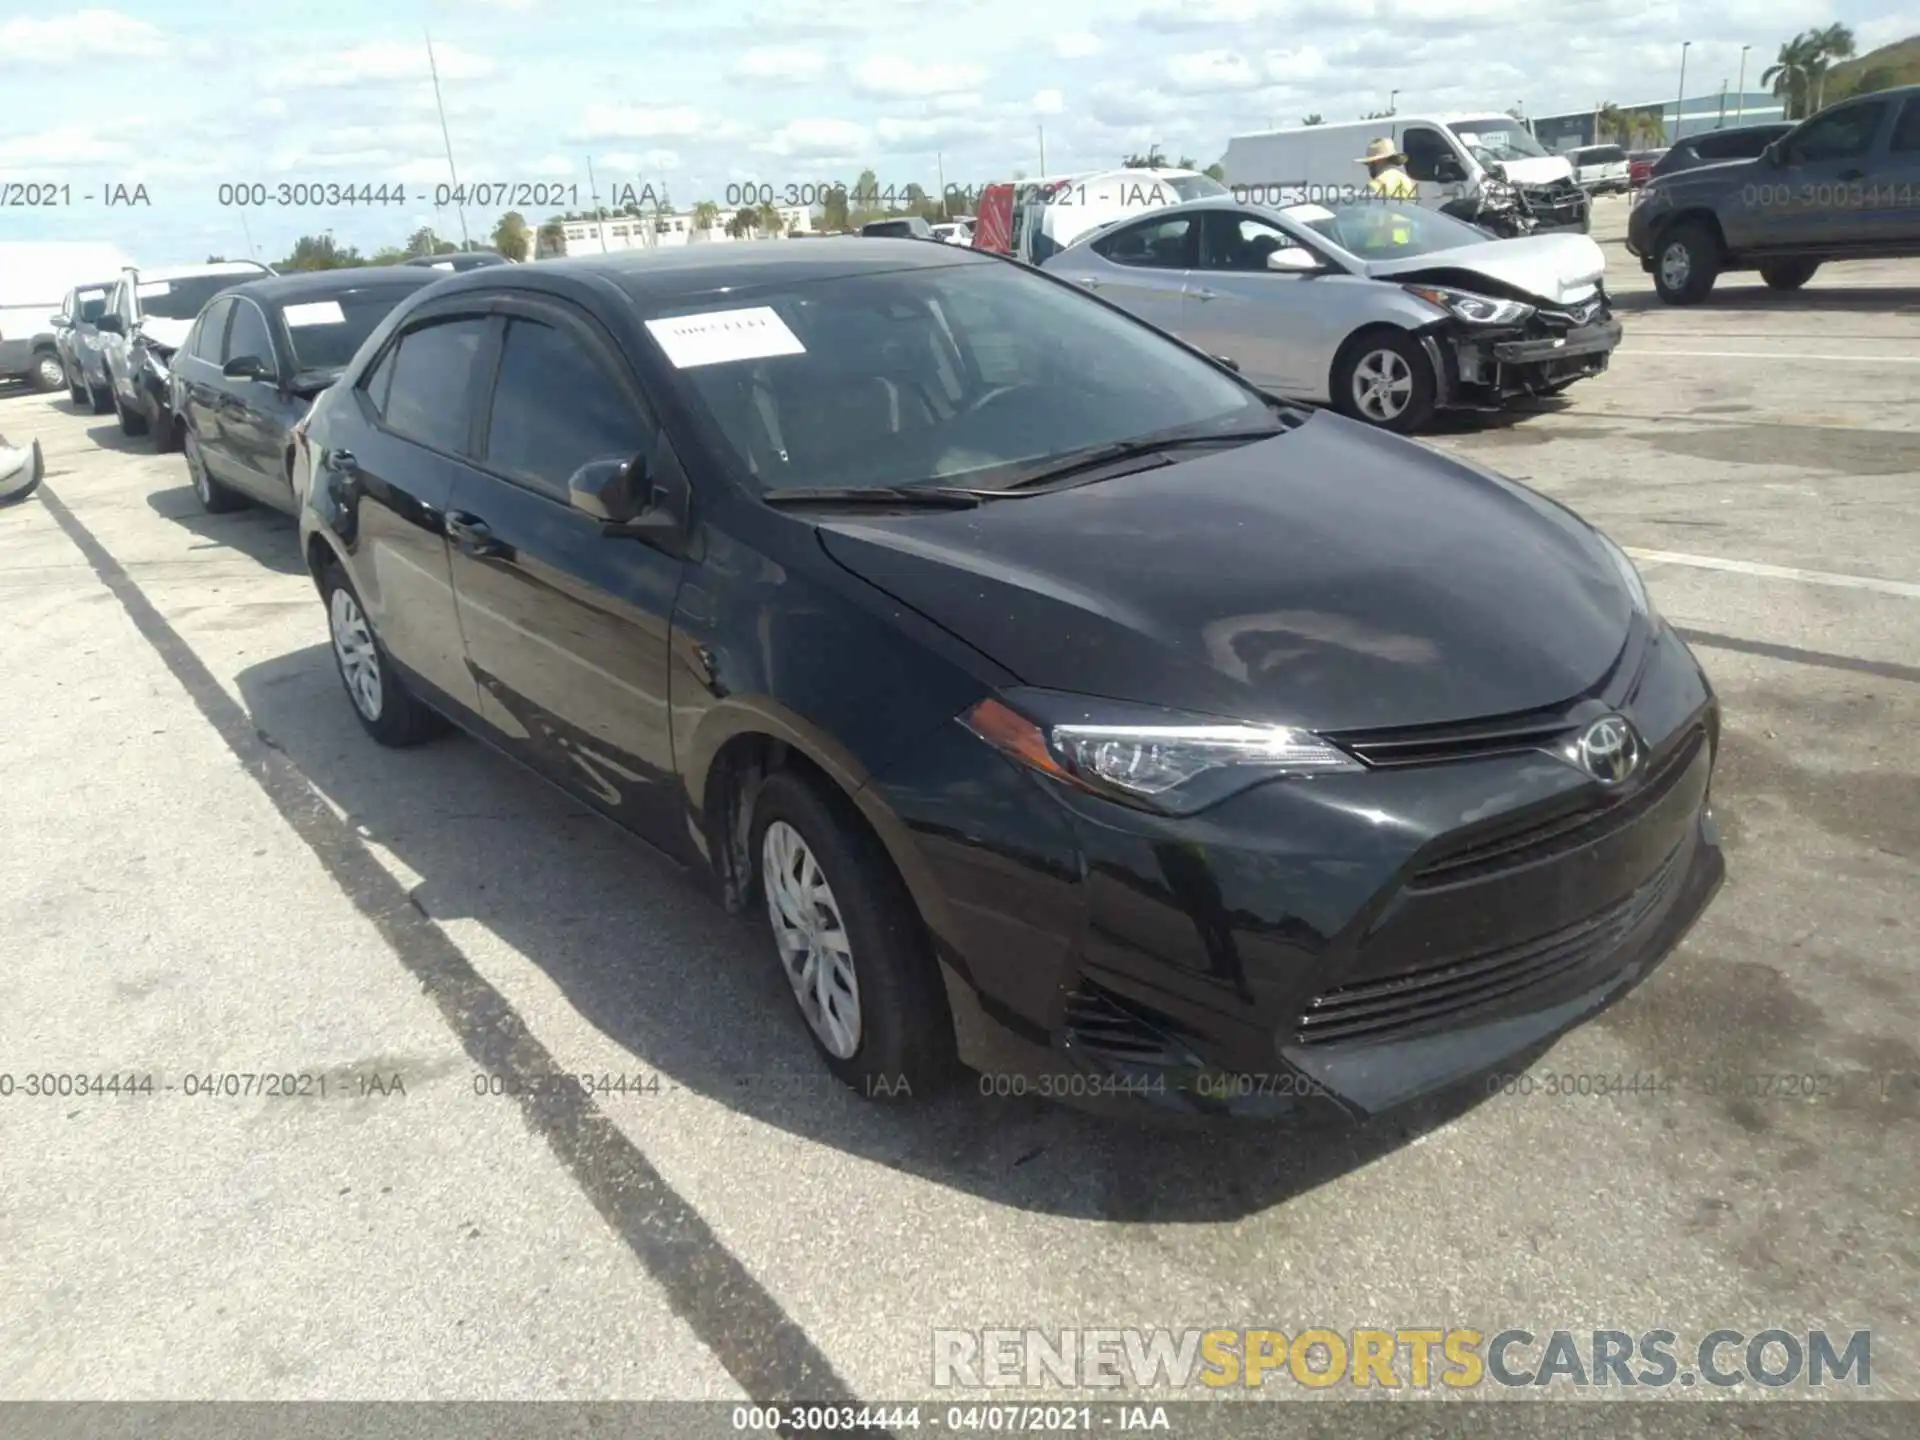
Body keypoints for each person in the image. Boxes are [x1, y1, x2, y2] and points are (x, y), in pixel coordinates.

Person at [1356, 138, 1417, 248]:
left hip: (1380, 245)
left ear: (1378, 161)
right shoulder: (1407, 181)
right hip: (1405, 242)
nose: (1368, 168)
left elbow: (1372, 219)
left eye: (1370, 164)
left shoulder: (1376, 184)